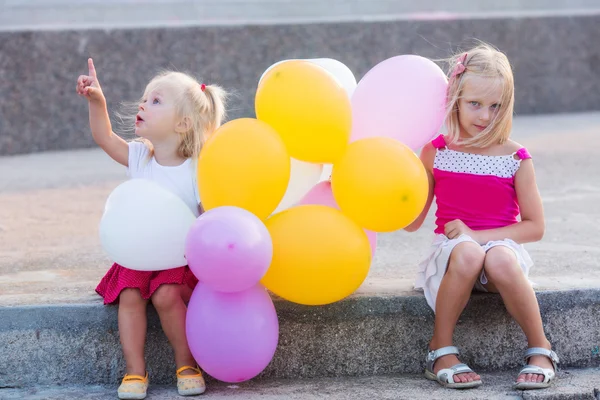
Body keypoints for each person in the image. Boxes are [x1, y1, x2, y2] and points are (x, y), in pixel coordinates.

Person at [406, 43, 558, 390]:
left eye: (496, 106)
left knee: (500, 258)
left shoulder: (515, 157)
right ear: (456, 97)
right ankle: (440, 349)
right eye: (475, 104)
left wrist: (477, 234)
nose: (485, 117)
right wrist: (383, 186)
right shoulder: (437, 151)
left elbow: (536, 228)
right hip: (454, 256)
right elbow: (411, 221)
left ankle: (541, 348)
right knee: (469, 251)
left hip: (498, 249)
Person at [76, 58, 226, 399]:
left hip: (179, 261)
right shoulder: (140, 157)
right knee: (130, 295)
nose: (143, 104)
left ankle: (186, 363)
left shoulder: (196, 171)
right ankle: (134, 371)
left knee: (166, 295)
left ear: (183, 124)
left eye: (156, 101)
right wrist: (97, 101)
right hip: (138, 255)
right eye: (145, 98)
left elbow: (210, 217)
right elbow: (104, 136)